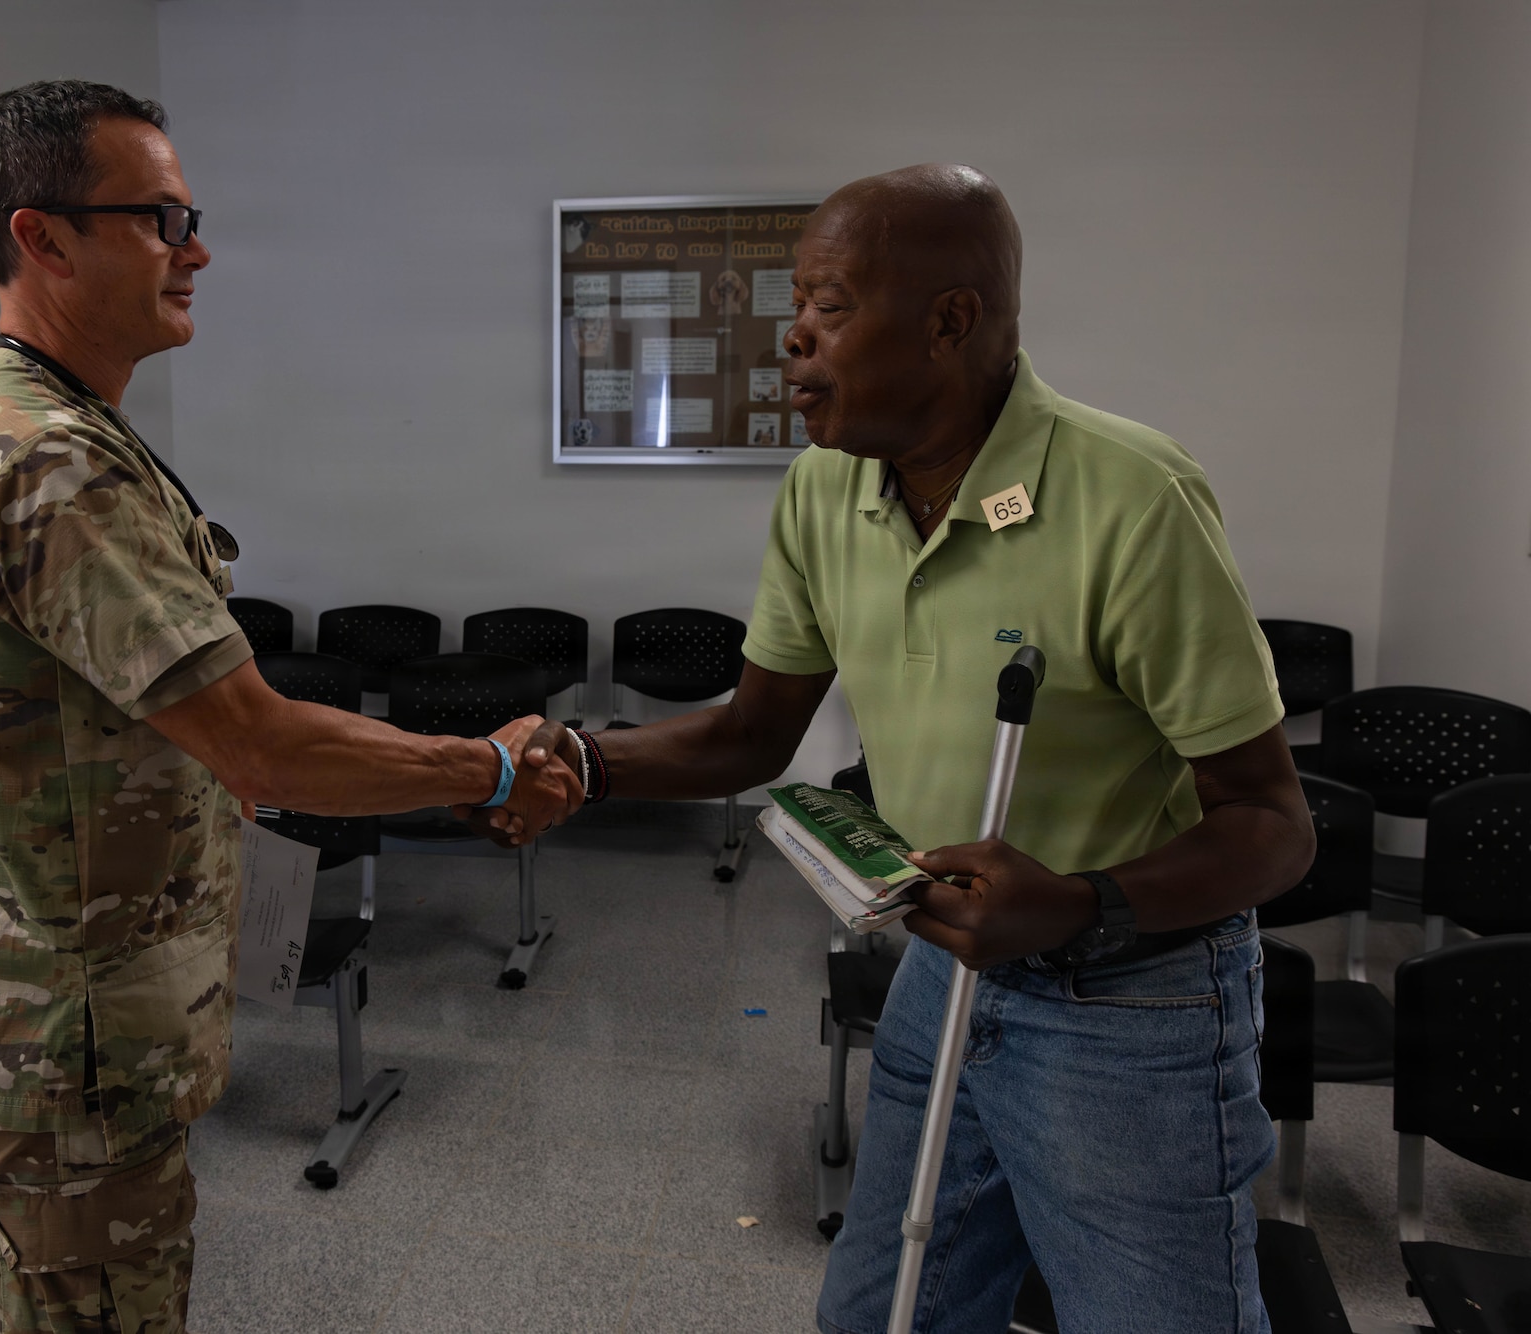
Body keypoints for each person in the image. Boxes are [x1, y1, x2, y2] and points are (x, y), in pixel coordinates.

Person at [501, 164, 1314, 1331]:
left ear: (949, 321)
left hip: (1130, 1005)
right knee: (886, 1312)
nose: (790, 336)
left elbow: (1273, 827)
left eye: (828, 304)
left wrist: (1080, 901)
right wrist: (581, 756)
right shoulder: (822, 494)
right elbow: (751, 732)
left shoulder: (1130, 497)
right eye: (796, 302)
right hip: (944, 965)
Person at [0, 80, 577, 1334]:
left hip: (35, 1031)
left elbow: (179, 733)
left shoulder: (45, 426)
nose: (196, 249)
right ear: (42, 237)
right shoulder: (50, 463)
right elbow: (257, 736)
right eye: (157, 217)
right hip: (52, 1059)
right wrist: (496, 770)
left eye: (189, 214)